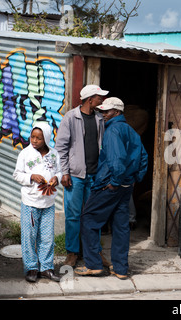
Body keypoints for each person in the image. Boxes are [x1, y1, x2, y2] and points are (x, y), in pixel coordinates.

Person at [75, 97, 148, 280]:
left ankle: (93, 265)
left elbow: (117, 160)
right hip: (126, 186)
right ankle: (121, 269)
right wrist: (134, 178)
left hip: (111, 185)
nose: (103, 114)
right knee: (121, 226)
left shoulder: (113, 130)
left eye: (106, 111)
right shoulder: (131, 131)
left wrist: (115, 181)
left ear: (117, 112)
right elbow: (144, 157)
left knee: (89, 219)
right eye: (102, 111)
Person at [55, 84, 109, 268]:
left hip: (95, 176)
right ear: (90, 100)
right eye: (99, 97)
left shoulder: (99, 118)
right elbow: (60, 147)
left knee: (93, 215)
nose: (101, 100)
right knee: (73, 215)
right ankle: (72, 253)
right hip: (76, 176)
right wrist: (64, 172)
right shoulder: (71, 117)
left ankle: (94, 252)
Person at [13, 122, 63, 282]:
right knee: (29, 237)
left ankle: (46, 268)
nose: (34, 140)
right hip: (30, 202)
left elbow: (60, 171)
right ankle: (31, 268)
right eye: (33, 137)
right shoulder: (25, 154)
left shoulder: (54, 154)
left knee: (47, 237)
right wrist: (31, 177)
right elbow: (17, 174)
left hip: (48, 203)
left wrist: (57, 178)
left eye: (39, 138)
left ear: (46, 139)